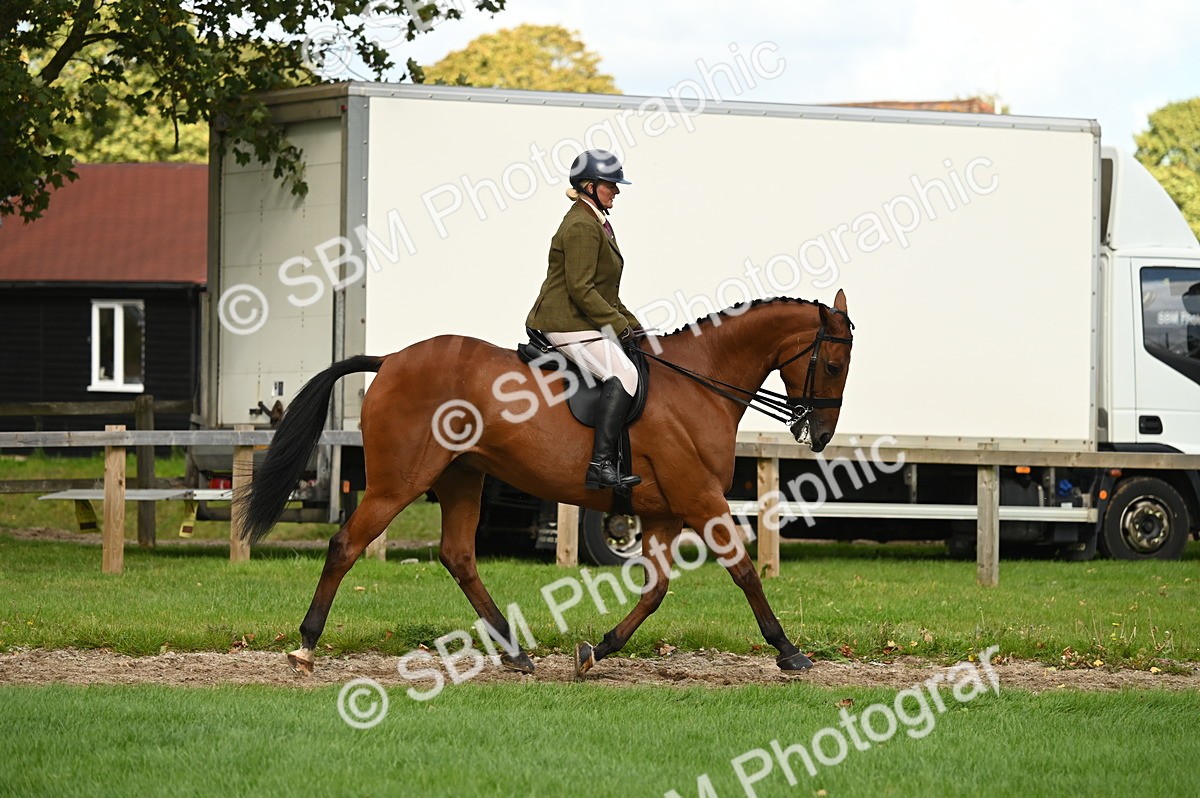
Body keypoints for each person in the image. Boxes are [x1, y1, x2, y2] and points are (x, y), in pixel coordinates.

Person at [526, 149, 643, 490]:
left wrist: (634, 324)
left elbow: (605, 293)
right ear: (590, 186)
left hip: (581, 318)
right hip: (564, 321)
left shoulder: (596, 222)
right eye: (611, 185)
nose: (616, 191)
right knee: (623, 374)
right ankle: (600, 466)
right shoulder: (581, 225)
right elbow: (581, 289)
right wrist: (617, 325)